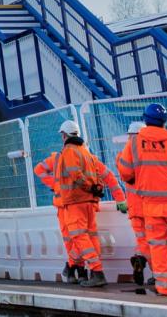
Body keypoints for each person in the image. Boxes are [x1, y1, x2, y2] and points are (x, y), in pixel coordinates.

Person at [116, 103, 167, 298]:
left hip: (152, 206)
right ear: (164, 121)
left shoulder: (134, 144)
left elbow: (125, 172)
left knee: (158, 247)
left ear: (145, 120)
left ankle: (164, 287)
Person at [33, 118, 125, 288]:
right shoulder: (88, 155)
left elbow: (50, 171)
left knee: (76, 238)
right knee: (88, 238)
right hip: (85, 202)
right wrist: (119, 198)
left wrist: (56, 186)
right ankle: (79, 270)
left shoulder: (64, 154)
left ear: (64, 136)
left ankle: (82, 269)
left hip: (71, 203)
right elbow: (108, 177)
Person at [122, 122, 153, 293]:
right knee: (154, 241)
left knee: (142, 239)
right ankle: (157, 272)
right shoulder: (149, 152)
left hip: (134, 207)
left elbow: (125, 176)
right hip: (149, 204)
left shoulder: (124, 154)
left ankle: (140, 258)